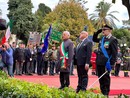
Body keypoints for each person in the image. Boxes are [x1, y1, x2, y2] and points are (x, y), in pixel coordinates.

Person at [93, 24, 118, 96]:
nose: (103, 31)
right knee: (100, 78)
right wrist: (97, 32)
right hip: (99, 62)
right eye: (102, 30)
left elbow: (114, 52)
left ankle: (106, 93)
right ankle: (102, 92)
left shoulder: (113, 39)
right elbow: (94, 39)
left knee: (106, 79)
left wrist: (112, 64)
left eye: (104, 30)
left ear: (109, 31)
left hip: (106, 63)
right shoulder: (102, 39)